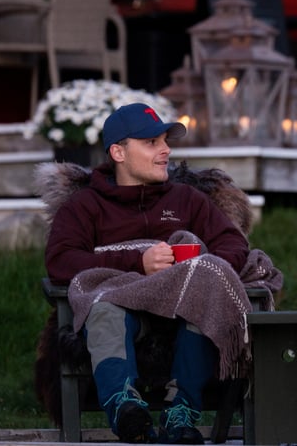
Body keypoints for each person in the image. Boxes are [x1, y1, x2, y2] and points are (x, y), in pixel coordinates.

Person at [45, 103, 250, 444]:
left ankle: (181, 412)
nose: (166, 150)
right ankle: (127, 410)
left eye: (165, 141)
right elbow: (61, 261)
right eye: (152, 142)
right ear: (118, 152)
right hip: (122, 307)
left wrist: (197, 268)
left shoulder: (188, 199)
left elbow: (232, 244)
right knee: (104, 308)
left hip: (179, 308)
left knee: (206, 293)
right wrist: (137, 262)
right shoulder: (84, 206)